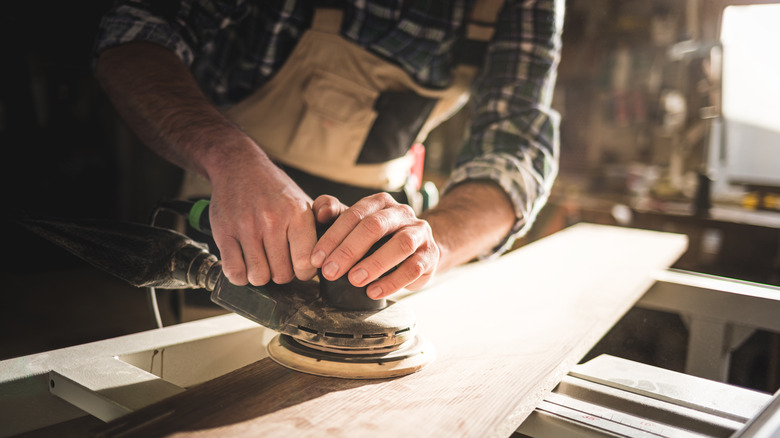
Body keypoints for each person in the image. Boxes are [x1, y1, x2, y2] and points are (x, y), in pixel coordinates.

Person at [93, 0, 563, 300]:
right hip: (233, 204)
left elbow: (516, 149)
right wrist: (230, 159)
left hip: (382, 213)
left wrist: (428, 245)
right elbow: (134, 33)